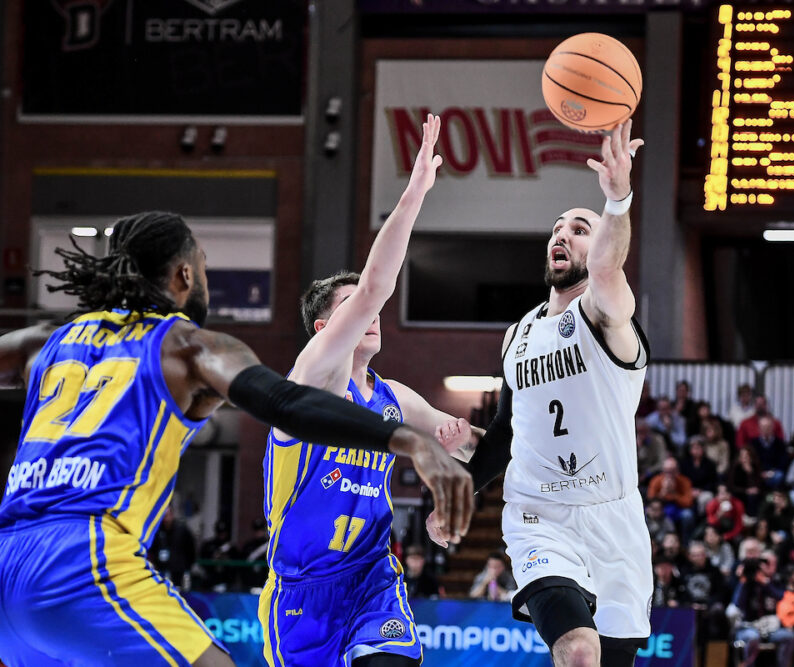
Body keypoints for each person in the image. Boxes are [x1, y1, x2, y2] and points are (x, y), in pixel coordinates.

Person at [0, 211, 471, 667]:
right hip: (83, 558)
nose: (206, 277)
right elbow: (286, 403)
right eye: (204, 264)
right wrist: (408, 441)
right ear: (184, 275)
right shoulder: (186, 344)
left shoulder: (47, 340)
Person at [259, 115, 478, 667]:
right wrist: (413, 195)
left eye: (371, 309)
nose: (371, 312)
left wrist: (465, 448)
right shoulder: (311, 377)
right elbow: (378, 284)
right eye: (353, 309)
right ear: (324, 331)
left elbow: (475, 445)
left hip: (372, 577)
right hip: (300, 595)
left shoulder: (395, 398)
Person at [429, 121, 651, 666]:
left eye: (580, 227)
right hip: (538, 515)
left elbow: (607, 266)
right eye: (557, 228)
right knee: (577, 651)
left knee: (610, 659)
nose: (563, 234)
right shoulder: (518, 334)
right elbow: (507, 432)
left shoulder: (607, 315)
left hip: (613, 516)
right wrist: (461, 486)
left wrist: (617, 199)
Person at [728, 557, 794, 667]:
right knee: (753, 637)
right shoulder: (741, 584)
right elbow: (737, 604)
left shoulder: (767, 584)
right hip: (747, 628)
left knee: (789, 636)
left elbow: (780, 596)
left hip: (766, 628)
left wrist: (765, 583)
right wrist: (743, 581)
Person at [150, 504, 197, 588]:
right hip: (161, 570)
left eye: (167, 516)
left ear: (172, 515)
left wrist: (187, 566)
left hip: (179, 571)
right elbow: (152, 549)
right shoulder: (158, 531)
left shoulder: (182, 530)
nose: (165, 519)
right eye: (163, 516)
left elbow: (191, 549)